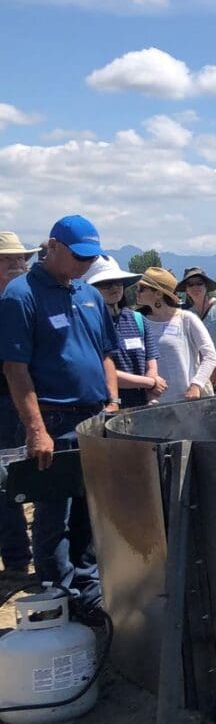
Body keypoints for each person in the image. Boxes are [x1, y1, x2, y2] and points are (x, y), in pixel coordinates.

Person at [0, 215, 120, 615]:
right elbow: (16, 368)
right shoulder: (21, 295)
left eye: (90, 257)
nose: (85, 264)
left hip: (95, 416)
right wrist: (36, 430)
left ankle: (88, 584)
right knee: (55, 511)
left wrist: (113, 403)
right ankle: (57, 589)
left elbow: (105, 353)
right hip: (53, 418)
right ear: (52, 247)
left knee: (91, 505)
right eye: (77, 256)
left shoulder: (87, 294)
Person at [0, 232, 36, 574]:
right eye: (8, 259)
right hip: (3, 404)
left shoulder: (29, 301)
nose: (17, 265)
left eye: (20, 259)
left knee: (38, 477)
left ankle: (41, 554)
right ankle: (16, 558)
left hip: (35, 401)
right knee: (5, 481)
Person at [83, 255, 161, 410]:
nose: (115, 287)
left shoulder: (138, 319)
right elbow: (101, 371)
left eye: (118, 282)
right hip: (106, 409)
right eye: (106, 284)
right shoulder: (87, 324)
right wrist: (149, 383)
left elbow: (151, 363)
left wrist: (152, 391)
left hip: (141, 409)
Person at [134, 268, 216, 403]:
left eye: (141, 288)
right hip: (154, 404)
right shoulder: (138, 321)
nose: (137, 292)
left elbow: (210, 355)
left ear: (158, 293)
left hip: (189, 400)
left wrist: (196, 385)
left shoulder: (187, 319)